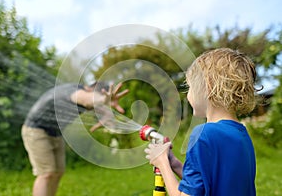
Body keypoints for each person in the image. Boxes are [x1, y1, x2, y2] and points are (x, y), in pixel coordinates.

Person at [145, 48, 257, 196]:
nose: (188, 95)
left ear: (207, 87)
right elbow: (208, 183)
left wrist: (162, 163)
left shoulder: (203, 134)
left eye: (190, 88)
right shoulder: (241, 134)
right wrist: (174, 163)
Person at [22, 82, 129, 196]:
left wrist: (107, 113)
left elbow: (95, 105)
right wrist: (103, 98)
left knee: (57, 172)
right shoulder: (76, 91)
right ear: (89, 89)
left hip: (56, 133)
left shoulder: (87, 95)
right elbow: (87, 99)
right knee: (46, 173)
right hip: (36, 130)